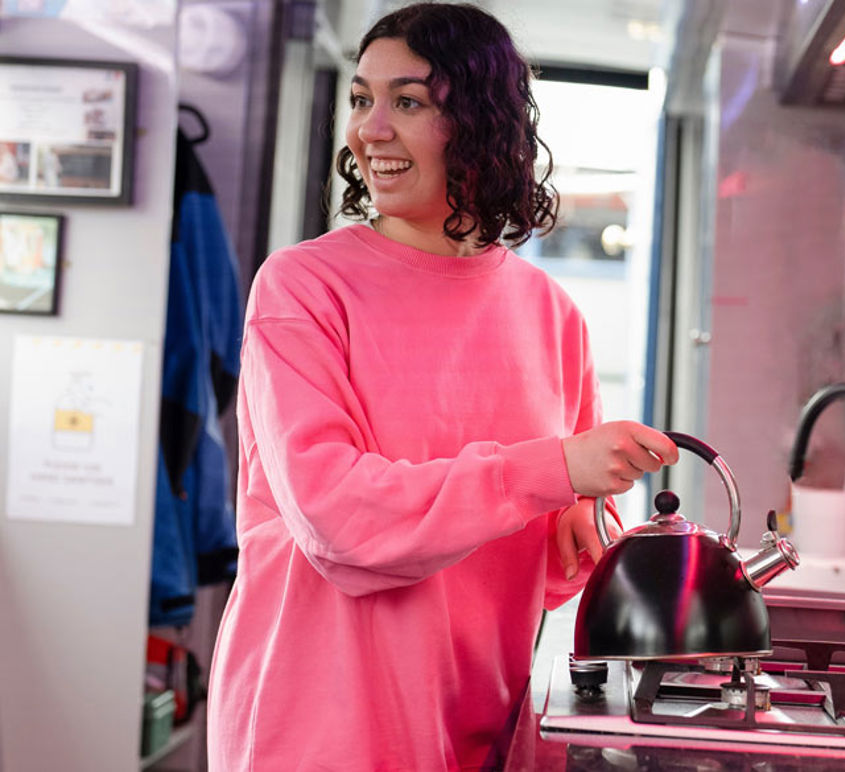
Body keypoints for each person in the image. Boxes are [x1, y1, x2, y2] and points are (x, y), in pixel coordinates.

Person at [205, 3, 679, 769]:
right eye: (362, 99)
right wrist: (553, 469)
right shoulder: (303, 288)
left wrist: (597, 533)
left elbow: (548, 564)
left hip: (487, 722)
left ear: (482, 122)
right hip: (325, 727)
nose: (370, 129)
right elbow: (339, 523)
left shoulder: (552, 316)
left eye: (409, 101)